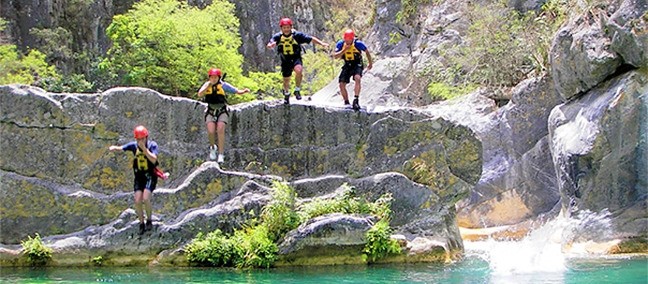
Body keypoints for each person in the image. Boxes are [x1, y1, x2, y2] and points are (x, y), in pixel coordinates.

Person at [108, 125, 159, 235]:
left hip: (150, 176)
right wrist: (114, 148)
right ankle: (141, 223)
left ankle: (149, 220)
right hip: (139, 177)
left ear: (146, 137)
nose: (141, 141)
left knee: (146, 198)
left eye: (143, 138)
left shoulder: (152, 145)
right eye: (138, 139)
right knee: (137, 200)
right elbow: (122, 148)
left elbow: (154, 160)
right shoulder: (133, 146)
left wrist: (145, 150)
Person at [266, 17, 329, 104]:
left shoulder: (297, 35)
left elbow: (311, 39)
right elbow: (271, 42)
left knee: (299, 70)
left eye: (288, 27)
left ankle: (297, 90)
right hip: (285, 59)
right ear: (281, 28)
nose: (286, 30)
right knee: (286, 79)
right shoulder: (278, 36)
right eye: (284, 28)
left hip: (296, 57)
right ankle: (286, 93)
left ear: (291, 27)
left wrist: (322, 43)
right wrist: (270, 45)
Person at [197, 68, 250, 163]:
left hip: (222, 110)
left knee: (220, 129)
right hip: (210, 110)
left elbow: (235, 91)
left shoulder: (223, 85)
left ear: (219, 78)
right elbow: (200, 94)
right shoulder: (207, 85)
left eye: (215, 77)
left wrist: (244, 91)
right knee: (211, 131)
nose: (213, 79)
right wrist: (208, 85)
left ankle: (221, 154)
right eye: (212, 77)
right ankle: (213, 147)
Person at [333, 29, 373, 110]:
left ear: (352, 38)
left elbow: (367, 51)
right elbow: (335, 56)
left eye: (349, 39)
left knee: (357, 78)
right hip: (347, 64)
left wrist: (370, 63)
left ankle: (356, 99)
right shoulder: (341, 44)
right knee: (341, 84)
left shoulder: (357, 43)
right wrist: (344, 50)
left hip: (357, 63)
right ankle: (346, 102)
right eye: (346, 39)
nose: (347, 41)